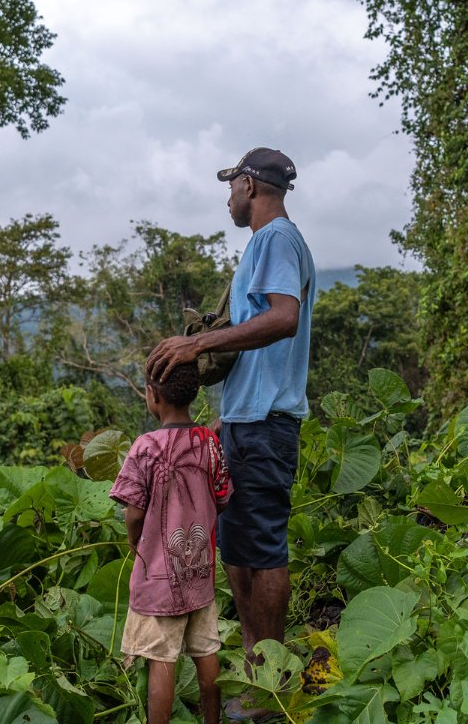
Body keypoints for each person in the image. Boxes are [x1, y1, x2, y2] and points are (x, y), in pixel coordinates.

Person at [147, 147, 316, 722]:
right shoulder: (267, 243)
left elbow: (283, 317)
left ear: (249, 185)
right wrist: (230, 416)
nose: (227, 198)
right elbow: (262, 346)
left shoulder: (276, 239)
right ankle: (254, 669)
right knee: (241, 549)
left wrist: (197, 343)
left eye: (231, 187)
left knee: (261, 550)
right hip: (249, 421)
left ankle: (268, 685)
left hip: (267, 425)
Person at [109, 360, 232, 724]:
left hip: (159, 578)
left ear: (153, 395)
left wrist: (134, 540)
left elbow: (134, 513)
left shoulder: (145, 446)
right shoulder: (208, 441)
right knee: (206, 650)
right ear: (193, 393)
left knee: (161, 660)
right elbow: (223, 497)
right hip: (199, 571)